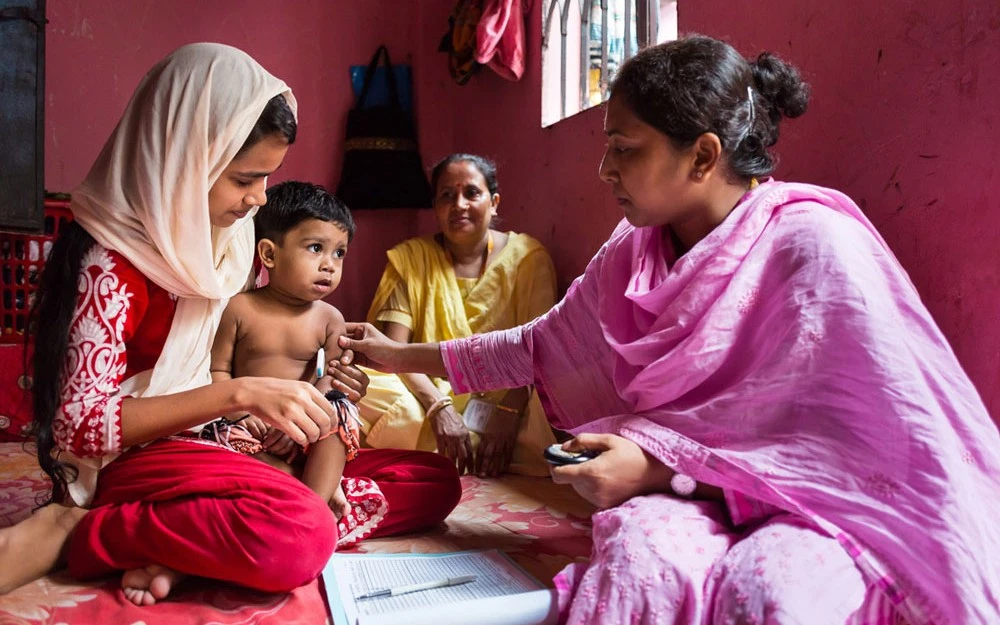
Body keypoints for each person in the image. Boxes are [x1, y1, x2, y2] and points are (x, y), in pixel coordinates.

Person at [339, 36, 1000, 625]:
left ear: (703, 155)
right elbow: (539, 345)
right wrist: (396, 356)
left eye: (624, 149)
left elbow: (861, 466)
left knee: (773, 595)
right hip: (686, 491)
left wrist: (657, 468)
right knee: (639, 564)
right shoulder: (631, 252)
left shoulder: (818, 247)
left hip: (818, 513)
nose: (605, 170)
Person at [0, 43, 460, 606]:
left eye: (268, 178)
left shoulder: (229, 240)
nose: (257, 198)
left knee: (434, 481)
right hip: (143, 455)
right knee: (303, 532)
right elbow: (81, 429)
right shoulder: (110, 263)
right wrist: (238, 393)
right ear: (182, 158)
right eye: (245, 178)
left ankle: (207, 532)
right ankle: (91, 530)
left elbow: (252, 358)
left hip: (227, 442)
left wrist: (307, 401)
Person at [211, 180, 460, 546]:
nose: (330, 265)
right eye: (316, 249)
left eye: (340, 253)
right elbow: (218, 371)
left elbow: (332, 381)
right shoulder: (239, 308)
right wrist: (242, 414)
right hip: (252, 433)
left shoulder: (330, 319)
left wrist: (305, 418)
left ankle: (307, 505)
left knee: (343, 413)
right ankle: (314, 510)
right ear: (269, 254)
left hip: (308, 435)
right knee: (215, 445)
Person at [357, 154, 558, 477]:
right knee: (368, 390)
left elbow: (539, 351)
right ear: (435, 207)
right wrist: (439, 407)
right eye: (447, 196)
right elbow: (392, 354)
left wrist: (507, 411)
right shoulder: (411, 259)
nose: (459, 204)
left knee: (555, 404)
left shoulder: (528, 258)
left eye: (471, 193)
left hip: (510, 397)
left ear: (493, 202)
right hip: (430, 394)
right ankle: (469, 449)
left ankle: (440, 452)